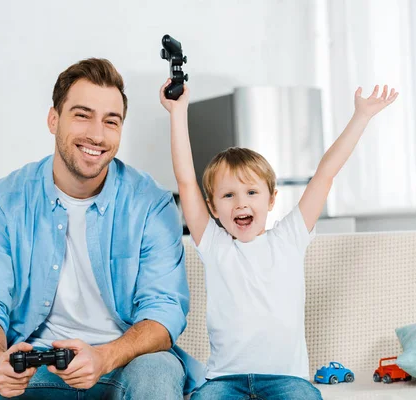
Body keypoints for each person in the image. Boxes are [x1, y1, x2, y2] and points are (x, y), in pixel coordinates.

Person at [0, 58, 204, 399]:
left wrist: (103, 357)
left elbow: (164, 313)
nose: (97, 134)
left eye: (111, 121)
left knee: (158, 369)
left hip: (119, 365)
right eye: (82, 114)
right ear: (53, 119)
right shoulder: (4, 201)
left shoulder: (150, 204)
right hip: (31, 370)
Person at [160, 79, 398, 399]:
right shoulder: (214, 245)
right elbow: (186, 182)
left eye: (251, 192)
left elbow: (325, 173)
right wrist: (177, 112)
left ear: (271, 200)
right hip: (224, 382)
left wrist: (361, 117)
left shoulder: (289, 237)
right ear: (213, 207)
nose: (241, 203)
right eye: (228, 195)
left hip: (287, 380)